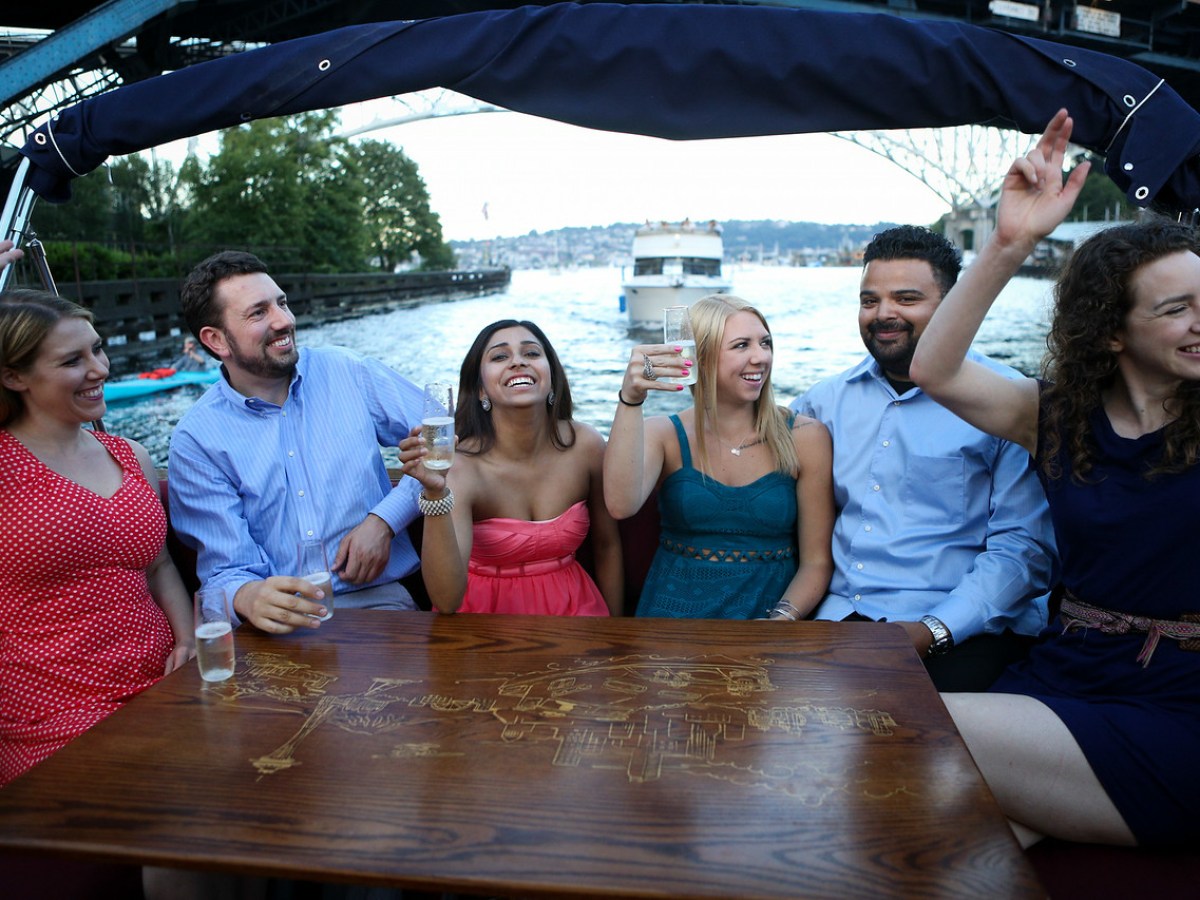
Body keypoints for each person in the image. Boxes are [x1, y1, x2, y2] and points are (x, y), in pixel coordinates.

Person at [910, 109, 1200, 848]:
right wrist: (1009, 243)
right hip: (1066, 676)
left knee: (904, 725)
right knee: (959, 845)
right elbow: (933, 370)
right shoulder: (1057, 416)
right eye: (1177, 309)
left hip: (1182, 704)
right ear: (1112, 332)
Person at [791, 225, 1057, 692]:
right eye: (869, 300)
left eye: (906, 299)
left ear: (953, 307)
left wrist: (933, 629)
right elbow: (741, 452)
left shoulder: (1009, 403)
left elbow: (1023, 550)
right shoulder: (823, 403)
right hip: (837, 619)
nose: (883, 314)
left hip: (960, 630)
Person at [168, 251, 424, 634]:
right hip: (271, 630)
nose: (284, 320)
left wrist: (386, 520)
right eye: (259, 313)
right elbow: (225, 571)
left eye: (282, 303)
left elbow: (452, 435)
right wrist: (248, 596)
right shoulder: (196, 439)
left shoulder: (348, 371)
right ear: (216, 339)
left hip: (378, 604)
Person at [0, 289, 193, 785]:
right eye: (72, 360)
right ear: (13, 376)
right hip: (53, 711)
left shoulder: (130, 455)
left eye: (98, 349)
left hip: (163, 683)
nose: (99, 369)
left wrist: (188, 642)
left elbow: (159, 566)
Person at [605, 294, 834, 620]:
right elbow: (620, 504)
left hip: (770, 623)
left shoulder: (805, 437)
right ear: (701, 357)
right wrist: (630, 399)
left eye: (765, 343)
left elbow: (816, 562)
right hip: (671, 622)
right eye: (741, 346)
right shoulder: (663, 434)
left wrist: (781, 620)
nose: (761, 357)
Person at [399, 319, 623, 616]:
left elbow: (607, 546)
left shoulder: (586, 445)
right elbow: (447, 600)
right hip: (485, 624)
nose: (518, 361)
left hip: (578, 614)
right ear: (481, 391)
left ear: (552, 377)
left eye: (531, 353)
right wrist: (435, 492)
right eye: (500, 356)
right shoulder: (461, 467)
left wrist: (616, 631)